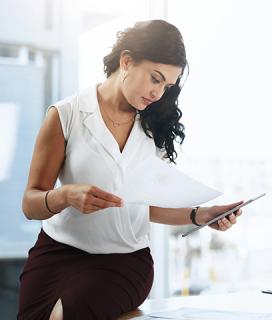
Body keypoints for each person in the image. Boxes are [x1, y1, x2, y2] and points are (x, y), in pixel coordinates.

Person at [17, 20, 242, 320]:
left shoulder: (155, 126)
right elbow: (30, 205)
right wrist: (65, 196)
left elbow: (142, 205)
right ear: (126, 61)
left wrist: (198, 215)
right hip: (57, 253)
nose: (158, 93)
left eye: (167, 86)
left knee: (63, 317)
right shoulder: (66, 115)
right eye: (155, 78)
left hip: (124, 261)